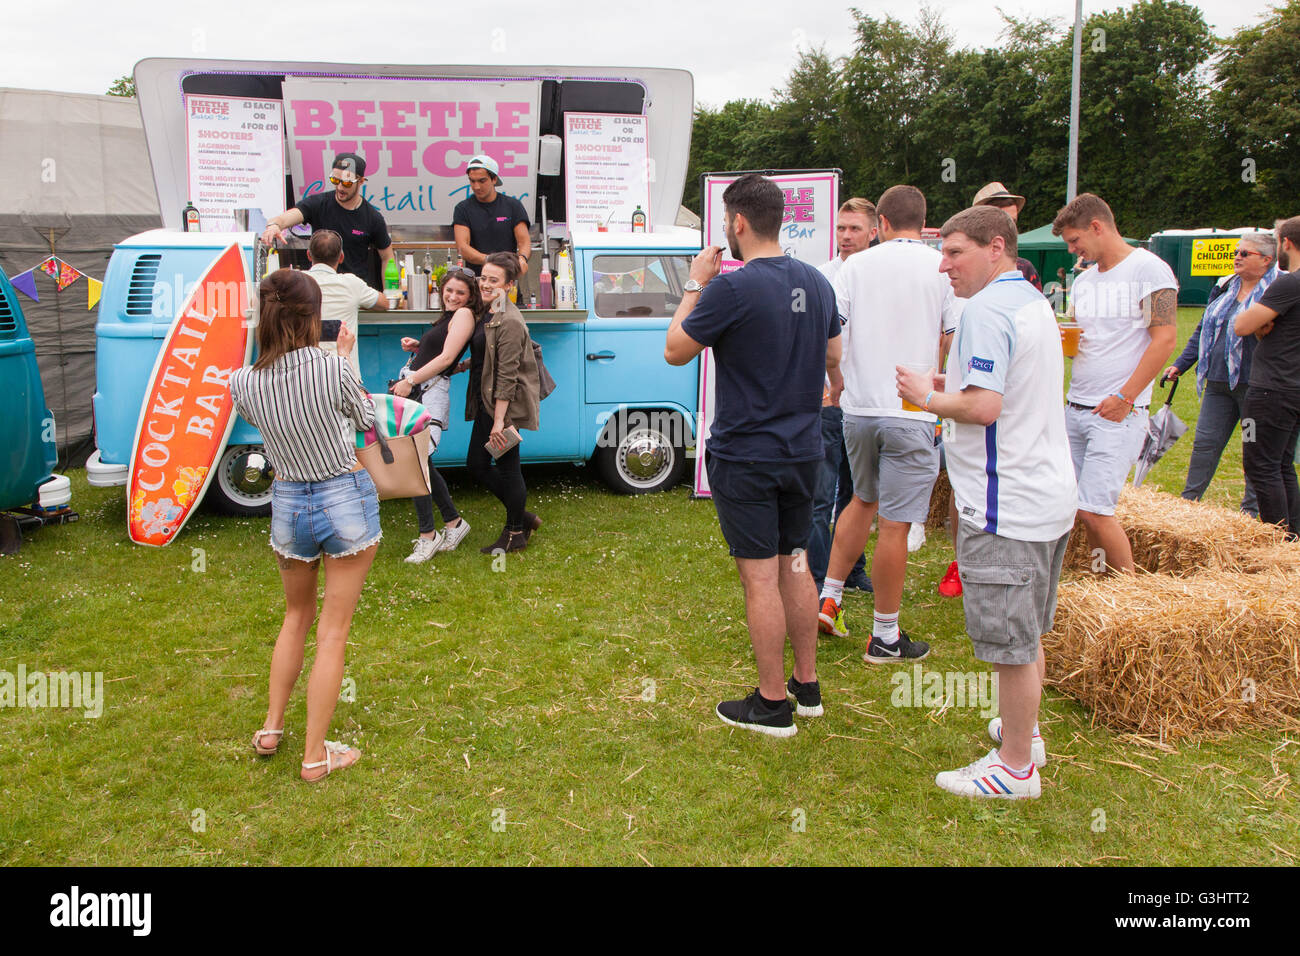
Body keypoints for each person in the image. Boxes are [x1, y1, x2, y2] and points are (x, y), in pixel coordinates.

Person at [897, 205, 1076, 799]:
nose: (943, 265)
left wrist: (927, 395)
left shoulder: (985, 311)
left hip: (1006, 505)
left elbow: (984, 408)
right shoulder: (1029, 301)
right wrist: (953, 387)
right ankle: (1025, 735)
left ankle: (1016, 768)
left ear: (995, 247)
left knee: (1012, 647)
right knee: (1025, 639)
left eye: (954, 253)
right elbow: (1005, 388)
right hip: (1044, 495)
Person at [665, 173, 840, 738]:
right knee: (796, 563)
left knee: (760, 577)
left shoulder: (729, 288)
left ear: (737, 223)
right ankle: (806, 687)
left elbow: (674, 350)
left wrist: (694, 283)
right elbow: (835, 350)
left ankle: (771, 704)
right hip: (803, 450)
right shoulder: (815, 281)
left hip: (747, 455)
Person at [230, 269, 378, 782]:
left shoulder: (243, 382)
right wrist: (343, 357)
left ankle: (272, 728)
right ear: (313, 316)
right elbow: (366, 420)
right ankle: (316, 755)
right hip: (342, 494)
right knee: (332, 634)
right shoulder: (332, 367)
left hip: (289, 501)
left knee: (296, 617)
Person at [818, 184, 958, 662]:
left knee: (860, 500)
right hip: (911, 407)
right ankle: (885, 635)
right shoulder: (941, 266)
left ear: (878, 224)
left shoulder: (854, 266)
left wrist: (837, 382)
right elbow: (953, 336)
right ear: (923, 222)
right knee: (894, 526)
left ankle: (829, 598)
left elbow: (831, 334)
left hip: (858, 405)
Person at [1052, 193, 1178, 573]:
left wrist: (1126, 396)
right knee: (1076, 506)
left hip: (1119, 411)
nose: (1074, 250)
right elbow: (1082, 334)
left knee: (1095, 510)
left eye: (1075, 241)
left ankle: (1128, 594)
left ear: (1097, 227)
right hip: (1076, 405)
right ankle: (1098, 577)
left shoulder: (1150, 270)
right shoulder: (1086, 279)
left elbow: (1166, 338)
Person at [1163, 232, 1280, 515]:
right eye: (1236, 252)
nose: (1236, 257)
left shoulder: (1279, 288)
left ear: (1266, 260)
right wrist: (1181, 363)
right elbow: (1204, 327)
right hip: (1217, 382)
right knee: (1205, 445)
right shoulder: (1225, 284)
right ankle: (1188, 505)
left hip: (1256, 386)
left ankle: (1249, 514)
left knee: (1253, 449)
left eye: (1244, 254)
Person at [390, 269, 481, 562]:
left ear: (470, 297)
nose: (453, 296)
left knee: (415, 463)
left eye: (460, 292)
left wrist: (410, 380)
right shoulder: (450, 316)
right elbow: (446, 358)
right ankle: (454, 523)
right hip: (424, 392)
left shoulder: (464, 315)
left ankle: (428, 536)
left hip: (427, 393)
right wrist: (420, 347)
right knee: (421, 463)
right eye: (449, 290)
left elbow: (444, 359)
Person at [810, 198, 875, 595]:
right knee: (821, 493)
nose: (846, 236)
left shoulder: (879, 276)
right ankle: (818, 579)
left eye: (854, 229)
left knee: (858, 494)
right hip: (828, 402)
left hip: (866, 402)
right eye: (841, 228)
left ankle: (851, 571)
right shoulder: (821, 277)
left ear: (874, 231)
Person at [468, 252, 543, 552]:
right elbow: (486, 356)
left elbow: (507, 375)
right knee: (476, 464)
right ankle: (523, 517)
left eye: (493, 280)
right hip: (487, 400)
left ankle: (515, 533)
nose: (485, 284)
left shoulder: (508, 320)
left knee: (509, 469)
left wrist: (500, 421)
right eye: (483, 277)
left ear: (510, 285)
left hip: (502, 405)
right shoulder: (488, 311)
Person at [1234, 216, 1300, 538]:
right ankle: (1291, 539)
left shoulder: (1289, 282)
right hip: (1292, 388)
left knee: (1260, 465)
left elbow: (1241, 326)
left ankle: (1276, 540)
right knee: (1282, 465)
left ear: (1286, 243)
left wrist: (1258, 325)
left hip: (1269, 391)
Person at [261, 152, 393, 290]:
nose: (340, 188)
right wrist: (275, 225)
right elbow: (287, 217)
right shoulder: (318, 204)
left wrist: (390, 294)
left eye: (347, 183)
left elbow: (387, 258)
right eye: (335, 181)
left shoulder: (372, 217)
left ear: (360, 181)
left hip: (354, 291)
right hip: (320, 289)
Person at [303, 228, 388, 380]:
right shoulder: (351, 283)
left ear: (309, 255)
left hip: (307, 375)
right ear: (341, 257)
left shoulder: (294, 281)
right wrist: (356, 302)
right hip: (345, 376)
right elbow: (384, 303)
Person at [453, 156, 532, 278]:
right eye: (472, 181)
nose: (476, 187)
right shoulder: (462, 209)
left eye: (482, 181)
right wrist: (493, 261)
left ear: (494, 179)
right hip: (476, 281)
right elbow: (462, 248)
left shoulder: (513, 206)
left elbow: (524, 241)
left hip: (507, 280)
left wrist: (522, 259)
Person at [972, 182, 1041, 290]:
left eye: (1013, 221)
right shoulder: (963, 267)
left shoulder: (1023, 269)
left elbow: (1036, 305)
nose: (1011, 228)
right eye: (1003, 221)